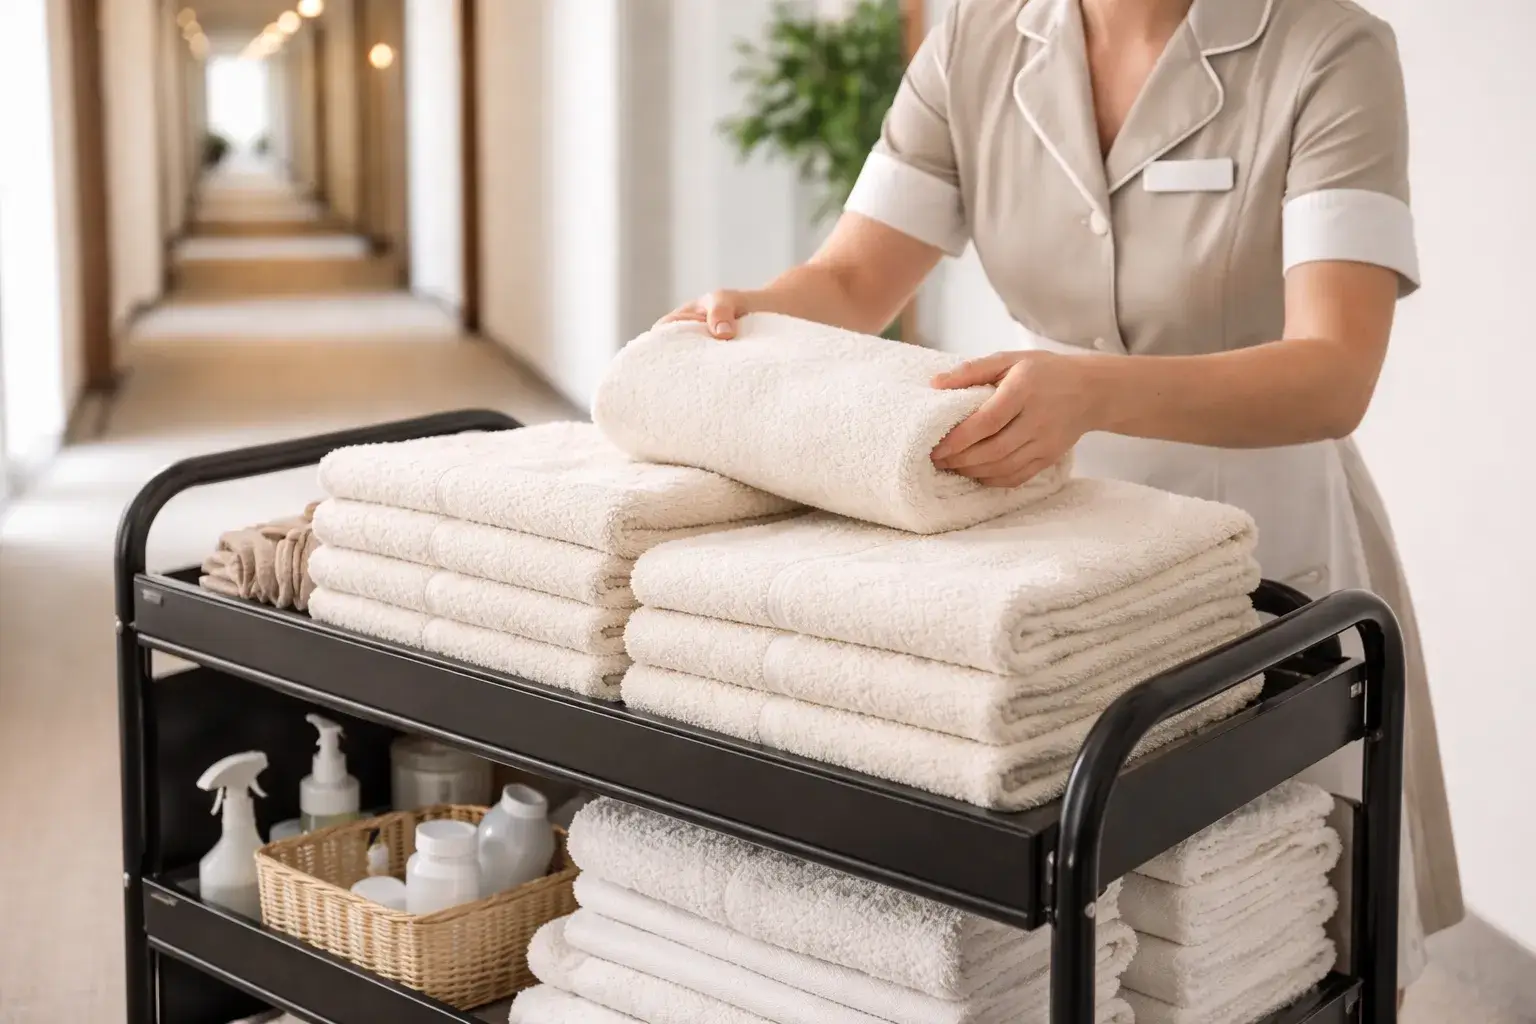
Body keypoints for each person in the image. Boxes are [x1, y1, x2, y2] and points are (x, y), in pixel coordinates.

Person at [659, 0, 1462, 1000]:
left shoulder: (1327, 49)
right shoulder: (977, 40)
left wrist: (1089, 393)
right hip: (1052, 533)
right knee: (1083, 928)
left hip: (1263, 543)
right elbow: (856, 275)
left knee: (1269, 935)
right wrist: (749, 311)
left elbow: (1334, 372)